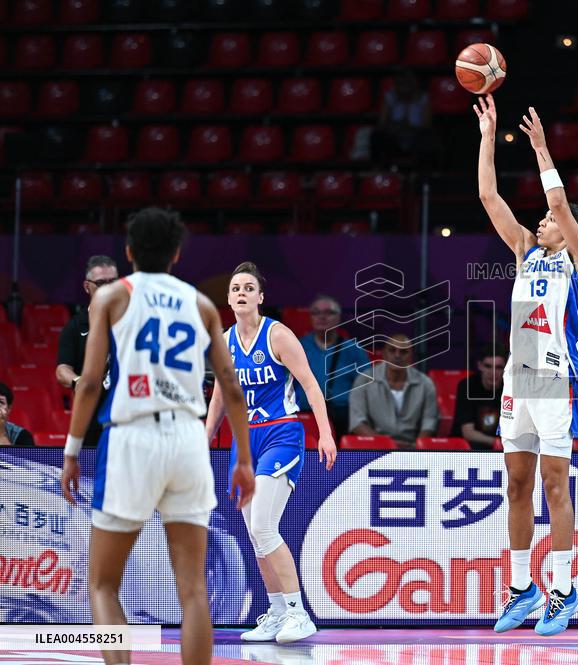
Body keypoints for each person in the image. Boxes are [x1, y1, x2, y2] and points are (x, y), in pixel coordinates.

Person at [59, 207, 255, 665]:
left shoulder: (112, 298)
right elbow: (231, 387)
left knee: (104, 584)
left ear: (128, 252)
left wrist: (71, 451)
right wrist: (243, 459)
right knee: (193, 592)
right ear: (177, 254)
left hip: (132, 437)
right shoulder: (202, 304)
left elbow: (88, 384)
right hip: (188, 439)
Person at [475, 93, 578, 635]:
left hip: (556, 379)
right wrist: (488, 135)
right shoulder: (524, 253)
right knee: (516, 485)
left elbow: (558, 206)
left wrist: (540, 149)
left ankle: (563, 589)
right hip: (519, 378)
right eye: (538, 220)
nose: (540, 224)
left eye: (548, 221)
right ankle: (520, 589)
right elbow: (488, 196)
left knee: (556, 485)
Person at [205, 262, 337, 644]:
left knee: (264, 526)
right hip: (243, 442)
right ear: (229, 299)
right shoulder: (224, 342)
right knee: (253, 532)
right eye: (235, 288)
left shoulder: (278, 335)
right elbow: (219, 397)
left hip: (282, 433)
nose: (242, 293)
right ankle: (277, 612)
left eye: (249, 287)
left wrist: (325, 434)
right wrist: (204, 439)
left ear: (261, 297)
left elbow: (310, 385)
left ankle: (299, 612)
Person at [56, 255, 119, 446]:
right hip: (91, 420)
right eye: (101, 283)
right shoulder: (75, 326)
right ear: (87, 286)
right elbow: (62, 370)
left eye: (113, 282)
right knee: (91, 475)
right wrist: (78, 382)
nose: (108, 288)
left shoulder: (132, 321)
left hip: (127, 419)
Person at [293, 294, 370, 439]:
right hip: (305, 415)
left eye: (328, 313)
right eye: (316, 312)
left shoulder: (353, 349)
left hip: (343, 417)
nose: (322, 317)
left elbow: (366, 386)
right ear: (311, 317)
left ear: (339, 317)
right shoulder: (297, 346)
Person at [348, 333, 439, 448]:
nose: (397, 355)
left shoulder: (425, 383)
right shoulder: (364, 380)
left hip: (412, 447)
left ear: (410, 356)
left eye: (403, 351)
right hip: (373, 447)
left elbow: (429, 422)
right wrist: (387, 445)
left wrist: (417, 448)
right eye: (392, 350)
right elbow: (357, 423)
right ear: (384, 354)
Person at [451, 345, 507, 450]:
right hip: (468, 448)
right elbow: (468, 432)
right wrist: (495, 442)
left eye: (499, 367)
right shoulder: (467, 386)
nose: (493, 372)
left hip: (501, 448)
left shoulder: (510, 388)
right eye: (488, 366)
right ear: (480, 365)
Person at [0, 382, 34, 446]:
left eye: (1, 402)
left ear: (9, 409)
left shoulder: (22, 436)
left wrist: (1, 434)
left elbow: (25, 456)